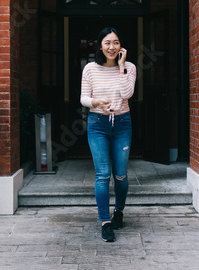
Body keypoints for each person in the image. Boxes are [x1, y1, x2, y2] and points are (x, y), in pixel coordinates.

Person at [80, 26, 137, 242]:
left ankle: (119, 212)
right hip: (98, 124)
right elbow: (84, 98)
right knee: (102, 175)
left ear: (120, 45)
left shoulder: (129, 67)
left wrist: (121, 66)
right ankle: (105, 221)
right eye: (107, 43)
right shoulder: (90, 69)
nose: (112, 47)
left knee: (120, 174)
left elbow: (127, 93)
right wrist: (97, 102)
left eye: (115, 42)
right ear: (100, 45)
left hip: (122, 123)